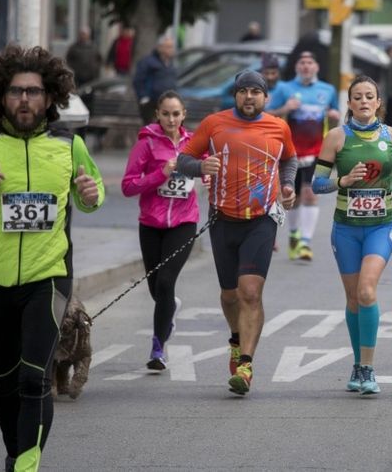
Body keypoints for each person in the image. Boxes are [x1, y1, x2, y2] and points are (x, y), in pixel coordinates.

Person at [0, 44, 104, 471]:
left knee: (35, 377)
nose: (25, 100)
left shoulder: (68, 146)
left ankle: (27, 464)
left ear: (50, 97)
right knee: (4, 380)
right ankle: (16, 452)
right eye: (16, 91)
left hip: (48, 276)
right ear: (2, 96)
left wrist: (91, 196)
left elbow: (91, 193)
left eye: (33, 92)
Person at [176, 70, 297, 395]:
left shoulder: (278, 126)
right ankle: (235, 338)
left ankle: (245, 363)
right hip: (223, 218)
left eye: (255, 92)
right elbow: (182, 159)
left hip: (262, 219)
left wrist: (287, 184)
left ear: (265, 97)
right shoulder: (214, 124)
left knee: (250, 292)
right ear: (235, 95)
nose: (248, 97)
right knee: (230, 294)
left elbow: (289, 159)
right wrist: (201, 167)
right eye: (243, 91)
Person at [311, 75, 392, 394]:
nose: (363, 102)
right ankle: (357, 365)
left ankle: (368, 369)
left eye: (369, 96)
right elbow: (317, 184)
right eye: (357, 97)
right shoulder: (336, 138)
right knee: (353, 298)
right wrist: (342, 182)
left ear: (378, 102)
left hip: (381, 225)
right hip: (345, 228)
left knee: (367, 291)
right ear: (349, 103)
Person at [121, 91, 201, 371]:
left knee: (166, 283)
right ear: (157, 114)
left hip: (184, 222)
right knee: (157, 290)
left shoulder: (194, 143)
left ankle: (157, 347)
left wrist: (209, 173)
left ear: (184, 115)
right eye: (165, 113)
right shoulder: (147, 143)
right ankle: (169, 309)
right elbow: (128, 186)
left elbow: (208, 169)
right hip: (151, 224)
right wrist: (160, 175)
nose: (171, 119)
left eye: (176, 113)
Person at [267, 50, 340, 261]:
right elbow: (266, 115)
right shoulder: (285, 88)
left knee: (311, 193)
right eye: (302, 63)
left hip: (318, 151)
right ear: (297, 67)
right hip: (291, 151)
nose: (306, 66)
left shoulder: (327, 90)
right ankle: (293, 235)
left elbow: (335, 113)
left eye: (310, 62)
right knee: (293, 196)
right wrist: (285, 108)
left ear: (316, 67)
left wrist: (334, 115)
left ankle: (305, 243)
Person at [133, 35, 177, 124]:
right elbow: (138, 80)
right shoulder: (148, 62)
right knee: (152, 131)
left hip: (167, 104)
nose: (171, 50)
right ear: (160, 48)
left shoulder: (170, 64)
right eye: (168, 47)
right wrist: (144, 98)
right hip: (151, 104)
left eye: (172, 47)